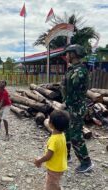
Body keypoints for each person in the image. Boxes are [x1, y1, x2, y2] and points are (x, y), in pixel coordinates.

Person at [62, 44, 93, 173]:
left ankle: (86, 162)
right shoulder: (73, 69)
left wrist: (66, 102)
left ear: (73, 54)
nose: (66, 56)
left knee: (76, 135)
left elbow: (73, 91)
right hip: (70, 106)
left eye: (68, 54)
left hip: (76, 107)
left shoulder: (79, 71)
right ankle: (67, 155)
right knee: (67, 132)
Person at [34, 110, 70, 190]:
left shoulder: (54, 140)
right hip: (60, 165)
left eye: (49, 119)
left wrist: (39, 160)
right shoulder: (62, 134)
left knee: (50, 185)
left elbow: (48, 156)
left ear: (51, 124)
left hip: (54, 168)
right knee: (55, 182)